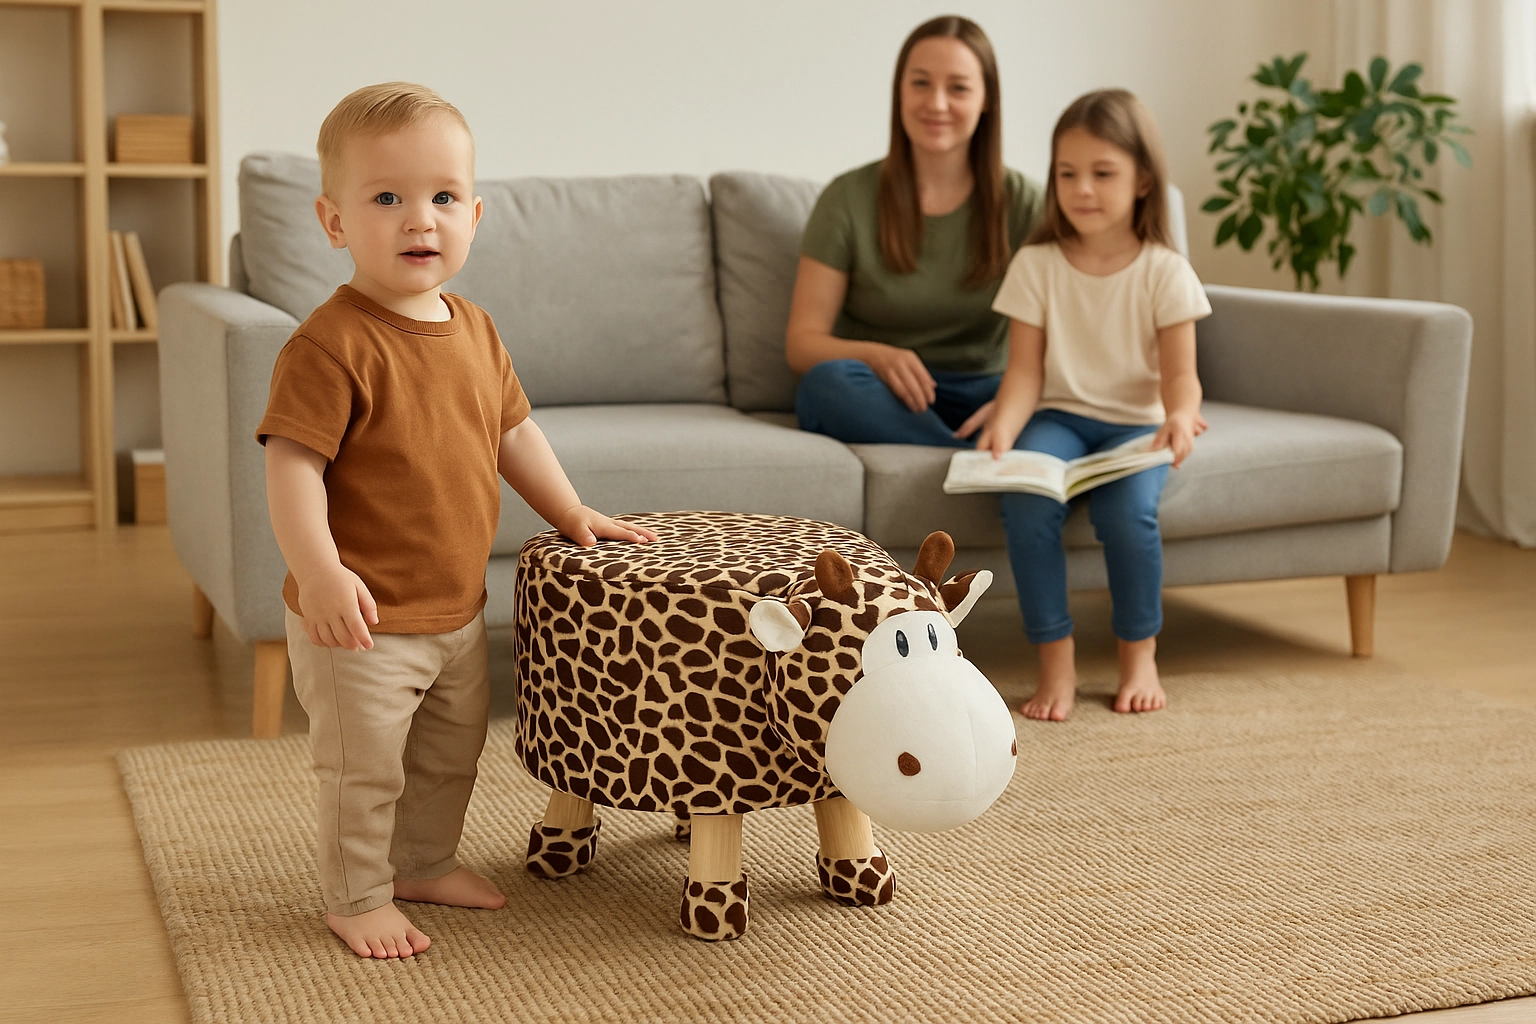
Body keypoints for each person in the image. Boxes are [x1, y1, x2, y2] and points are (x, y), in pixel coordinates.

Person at [257, 82, 655, 960]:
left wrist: (570, 508)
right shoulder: (328, 345)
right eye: (386, 198)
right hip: (360, 621)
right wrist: (320, 572)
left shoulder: (475, 329)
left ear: (473, 215)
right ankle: (357, 896)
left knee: (448, 755)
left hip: (456, 610)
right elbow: (291, 467)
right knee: (365, 769)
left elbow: (514, 433)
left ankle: (424, 862)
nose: (419, 219)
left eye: (442, 197)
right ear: (333, 221)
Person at [979, 89, 1212, 722]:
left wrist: (1179, 414)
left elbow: (1182, 375)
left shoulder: (1165, 270)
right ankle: (1055, 659)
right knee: (1025, 503)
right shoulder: (1036, 264)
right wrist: (1004, 426)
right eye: (1067, 174)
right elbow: (1024, 371)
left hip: (1136, 427)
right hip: (1059, 418)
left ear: (1143, 180)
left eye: (1103, 173)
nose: (1082, 189)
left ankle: (1140, 654)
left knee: (1127, 515)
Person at [786, 15, 1044, 444]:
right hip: (883, 391)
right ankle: (964, 455)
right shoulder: (847, 198)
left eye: (958, 88)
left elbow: (1066, 338)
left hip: (986, 388)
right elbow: (802, 344)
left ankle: (974, 445)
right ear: (899, 92)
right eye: (921, 83)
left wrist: (1016, 403)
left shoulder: (1027, 203)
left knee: (1057, 410)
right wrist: (876, 357)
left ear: (986, 100)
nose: (936, 104)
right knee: (825, 386)